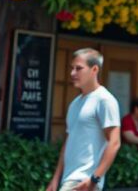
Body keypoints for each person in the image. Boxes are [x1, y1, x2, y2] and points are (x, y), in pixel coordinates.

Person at [46, 48, 121, 191]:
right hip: (68, 180)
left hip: (83, 182)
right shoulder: (75, 104)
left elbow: (115, 142)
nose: (72, 73)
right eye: (72, 68)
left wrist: (94, 179)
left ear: (94, 69)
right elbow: (68, 142)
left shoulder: (104, 100)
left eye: (78, 68)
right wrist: (55, 180)